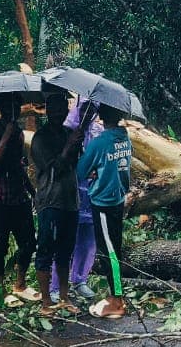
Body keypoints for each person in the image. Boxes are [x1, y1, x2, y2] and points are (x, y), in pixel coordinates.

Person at [0, 94, 40, 307]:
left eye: (17, 105)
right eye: (9, 105)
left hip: (18, 196)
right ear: (1, 107)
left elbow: (18, 164)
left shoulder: (19, 133)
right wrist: (5, 137)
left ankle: (20, 284)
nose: (14, 109)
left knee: (30, 243)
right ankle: (0, 288)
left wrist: (33, 193)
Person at [78, 104, 133, 319]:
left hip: (103, 202)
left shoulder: (100, 142)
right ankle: (115, 295)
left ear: (100, 116)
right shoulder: (124, 138)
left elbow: (81, 170)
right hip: (118, 198)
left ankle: (118, 301)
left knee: (109, 252)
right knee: (114, 248)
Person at [30, 94, 82, 315]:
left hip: (70, 201)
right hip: (50, 201)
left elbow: (75, 163)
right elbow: (55, 168)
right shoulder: (40, 139)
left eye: (63, 108)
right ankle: (45, 302)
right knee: (45, 250)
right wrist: (69, 146)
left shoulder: (68, 133)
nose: (59, 112)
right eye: (55, 108)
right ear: (47, 110)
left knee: (65, 251)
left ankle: (64, 297)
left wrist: (76, 144)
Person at [50, 98, 102, 302]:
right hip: (69, 194)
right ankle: (55, 286)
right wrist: (72, 143)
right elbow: (57, 164)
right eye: (85, 108)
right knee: (64, 241)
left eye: (93, 108)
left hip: (91, 194)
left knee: (88, 240)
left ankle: (80, 279)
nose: (88, 112)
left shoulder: (98, 134)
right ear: (78, 108)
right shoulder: (65, 131)